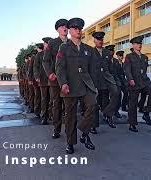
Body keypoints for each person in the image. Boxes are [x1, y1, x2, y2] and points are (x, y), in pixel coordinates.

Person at [55, 17, 96, 154]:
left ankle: (84, 132)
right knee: (70, 116)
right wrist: (63, 83)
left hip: (85, 85)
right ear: (70, 30)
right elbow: (60, 68)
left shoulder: (88, 49)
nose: (78, 30)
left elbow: (92, 70)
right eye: (75, 28)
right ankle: (70, 143)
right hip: (70, 86)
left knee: (93, 105)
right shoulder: (64, 47)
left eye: (80, 28)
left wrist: (93, 85)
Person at [124, 35, 151, 132]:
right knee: (133, 103)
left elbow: (144, 70)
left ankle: (146, 113)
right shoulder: (129, 56)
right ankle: (132, 123)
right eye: (137, 44)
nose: (139, 45)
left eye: (140, 43)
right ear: (133, 45)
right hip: (134, 81)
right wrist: (130, 79)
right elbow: (127, 69)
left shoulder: (145, 57)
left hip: (144, 80)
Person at [42, 19, 68, 139]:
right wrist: (50, 73)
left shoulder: (72, 42)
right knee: (57, 105)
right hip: (55, 79)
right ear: (57, 29)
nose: (65, 28)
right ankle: (56, 129)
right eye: (62, 27)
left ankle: (70, 130)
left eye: (66, 26)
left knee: (69, 105)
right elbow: (45, 61)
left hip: (70, 79)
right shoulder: (52, 43)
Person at [92, 32, 119, 130]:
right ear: (94, 40)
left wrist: (113, 79)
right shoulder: (91, 51)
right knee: (94, 102)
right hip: (95, 79)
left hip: (106, 78)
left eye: (101, 39)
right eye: (98, 39)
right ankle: (93, 124)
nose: (100, 41)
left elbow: (111, 68)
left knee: (116, 92)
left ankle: (108, 114)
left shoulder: (107, 52)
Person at [34, 41, 50, 124]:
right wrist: (37, 77)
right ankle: (44, 117)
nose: (46, 45)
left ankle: (51, 115)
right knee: (44, 99)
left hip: (53, 80)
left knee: (53, 100)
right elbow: (35, 67)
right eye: (45, 44)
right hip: (43, 80)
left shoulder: (53, 53)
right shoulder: (39, 55)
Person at [105, 44, 122, 118]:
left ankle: (116, 111)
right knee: (111, 97)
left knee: (119, 96)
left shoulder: (115, 61)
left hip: (116, 81)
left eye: (112, 50)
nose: (111, 52)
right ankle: (108, 113)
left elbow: (119, 72)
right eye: (110, 50)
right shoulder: (104, 60)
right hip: (106, 81)